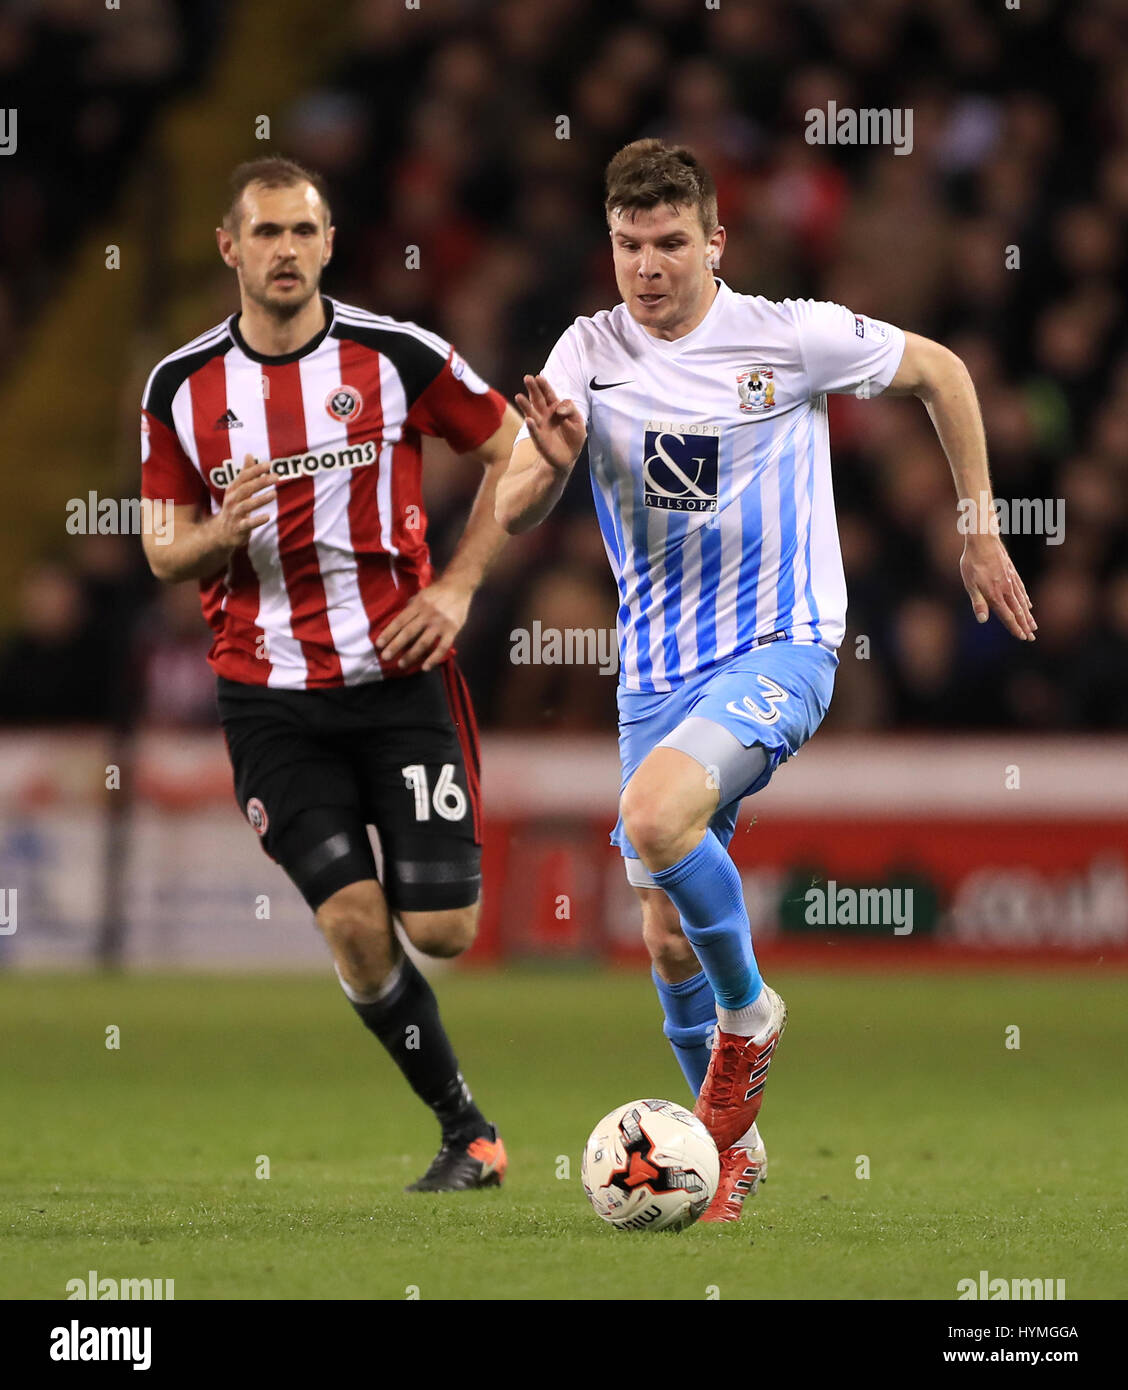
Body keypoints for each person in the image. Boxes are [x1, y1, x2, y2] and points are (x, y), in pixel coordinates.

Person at [496, 138, 1035, 1222]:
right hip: (654, 675)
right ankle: (729, 1150)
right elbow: (511, 508)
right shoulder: (586, 351)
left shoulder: (787, 335)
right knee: (656, 931)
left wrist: (979, 528)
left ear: (713, 242)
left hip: (781, 645)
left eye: (669, 243)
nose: (647, 266)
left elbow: (945, 371)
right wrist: (546, 458)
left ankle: (750, 1016)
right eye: (628, 244)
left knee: (653, 817)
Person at [140, 156, 521, 1192]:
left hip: (399, 675)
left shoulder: (397, 357)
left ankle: (459, 1114)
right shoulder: (181, 387)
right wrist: (219, 531)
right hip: (267, 698)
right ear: (230, 247)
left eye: (302, 232)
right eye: (264, 233)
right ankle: (467, 1132)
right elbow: (160, 551)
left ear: (328, 243)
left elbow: (517, 450)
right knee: (353, 921)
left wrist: (461, 588)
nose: (284, 252)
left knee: (442, 927)